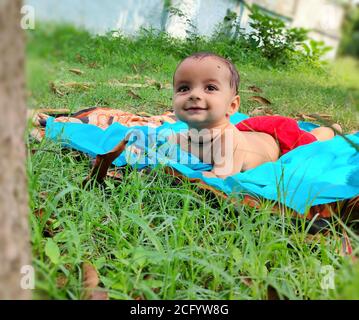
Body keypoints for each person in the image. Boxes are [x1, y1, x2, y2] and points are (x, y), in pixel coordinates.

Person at [170, 52, 342, 178]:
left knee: (312, 139)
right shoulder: (180, 138)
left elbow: (219, 178)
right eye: (184, 88)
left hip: (279, 140)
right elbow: (159, 146)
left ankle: (332, 129)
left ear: (232, 106)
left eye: (210, 88)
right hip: (253, 129)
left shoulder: (227, 142)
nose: (194, 95)